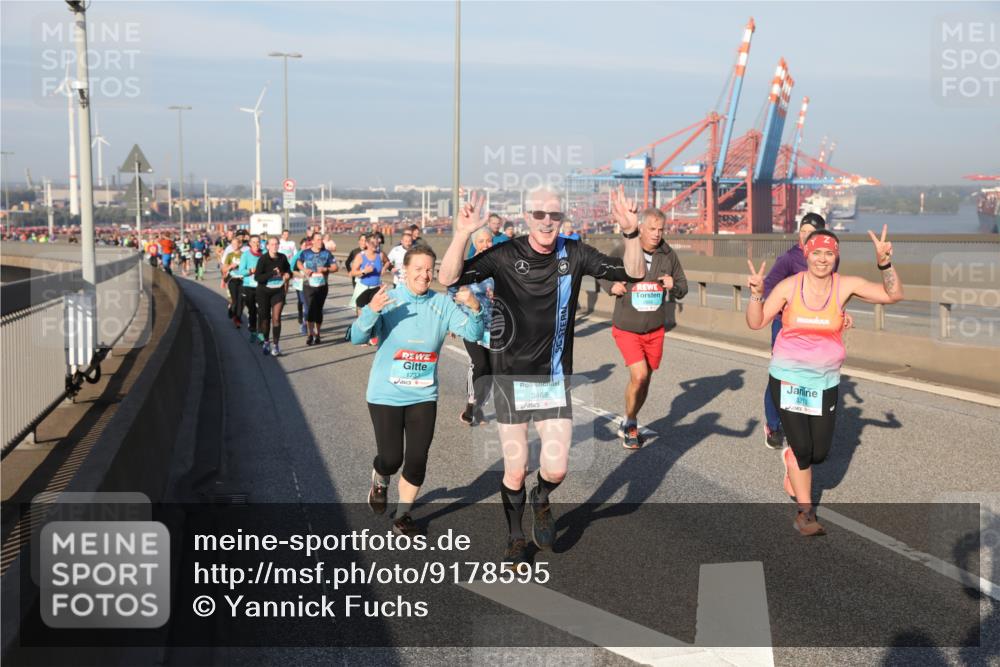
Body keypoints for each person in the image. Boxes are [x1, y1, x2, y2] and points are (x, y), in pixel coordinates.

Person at [438, 186, 645, 568]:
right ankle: (516, 539)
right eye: (539, 214)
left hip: (552, 380)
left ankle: (543, 498)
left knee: (556, 468)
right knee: (515, 469)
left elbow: (632, 273)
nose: (547, 222)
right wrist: (462, 234)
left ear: (562, 217)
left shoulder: (574, 251)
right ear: (526, 216)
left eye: (554, 215)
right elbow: (450, 278)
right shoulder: (505, 254)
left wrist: (631, 234)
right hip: (509, 378)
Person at [746, 225, 903, 536]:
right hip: (788, 377)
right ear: (806, 253)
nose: (822, 259)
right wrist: (755, 294)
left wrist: (884, 263)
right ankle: (805, 514)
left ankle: (790, 458)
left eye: (829, 253)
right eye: (816, 252)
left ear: (836, 257)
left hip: (825, 381)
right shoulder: (790, 287)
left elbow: (893, 294)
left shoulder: (845, 286)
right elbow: (756, 322)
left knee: (819, 454)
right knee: (803, 449)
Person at [351, 245, 485, 536]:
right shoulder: (389, 299)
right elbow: (357, 336)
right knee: (391, 458)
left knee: (417, 459)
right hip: (385, 393)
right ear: (404, 271)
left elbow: (474, 334)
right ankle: (380, 476)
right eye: (418, 269)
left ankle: (403, 515)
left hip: (423, 395)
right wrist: (372, 311)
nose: (425, 275)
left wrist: (475, 308)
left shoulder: (443, 304)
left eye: (429, 269)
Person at [601, 207, 688, 450]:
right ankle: (630, 423)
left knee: (645, 380)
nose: (657, 234)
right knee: (638, 375)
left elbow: (683, 285)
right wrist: (612, 285)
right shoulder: (625, 248)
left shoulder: (668, 255)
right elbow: (601, 271)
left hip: (655, 329)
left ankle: (630, 416)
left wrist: (674, 285)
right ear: (641, 228)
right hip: (627, 327)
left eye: (661, 229)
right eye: (652, 228)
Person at [760, 213, 841, 449]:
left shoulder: (828, 258)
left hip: (816, 325)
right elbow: (768, 285)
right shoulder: (789, 258)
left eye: (811, 232)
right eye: (803, 231)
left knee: (811, 372)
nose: (806, 235)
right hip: (785, 325)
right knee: (782, 375)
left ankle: (804, 420)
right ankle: (774, 426)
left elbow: (834, 289)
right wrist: (784, 304)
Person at [455, 228, 495, 426]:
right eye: (482, 241)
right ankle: (471, 407)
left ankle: (479, 408)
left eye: (490, 241)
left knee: (491, 369)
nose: (486, 245)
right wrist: (454, 321)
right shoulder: (467, 267)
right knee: (479, 364)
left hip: (496, 326)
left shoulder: (501, 266)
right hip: (471, 323)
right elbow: (452, 290)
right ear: (474, 244)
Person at [298, 232, 339, 345]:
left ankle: (318, 333)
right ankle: (310, 334)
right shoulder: (305, 253)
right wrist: (304, 270)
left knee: (318, 310)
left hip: (322, 286)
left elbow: (336, 267)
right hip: (308, 285)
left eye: (321, 239)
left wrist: (326, 269)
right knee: (310, 308)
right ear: (312, 241)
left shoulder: (327, 253)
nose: (320, 242)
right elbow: (298, 262)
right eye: (317, 240)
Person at [254, 236, 292, 356]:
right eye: (272, 244)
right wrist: (272, 273)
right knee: (265, 319)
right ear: (268, 246)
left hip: (278, 291)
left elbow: (288, 270)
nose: (275, 246)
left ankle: (276, 345)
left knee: (276, 318)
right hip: (264, 292)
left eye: (276, 244)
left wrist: (287, 275)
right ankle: (266, 341)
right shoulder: (263, 259)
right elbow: (257, 277)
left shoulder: (282, 257)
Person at [350, 232, 388, 314]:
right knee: (361, 315)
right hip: (363, 287)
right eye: (372, 243)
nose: (375, 245)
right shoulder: (360, 256)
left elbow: (387, 262)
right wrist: (364, 271)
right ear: (367, 243)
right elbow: (352, 273)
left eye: (377, 242)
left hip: (376, 287)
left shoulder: (380, 255)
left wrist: (384, 268)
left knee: (377, 313)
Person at [237, 234, 264, 341]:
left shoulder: (264, 254)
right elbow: (241, 271)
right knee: (252, 310)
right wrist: (250, 271)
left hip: (261, 286)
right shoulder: (245, 255)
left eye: (258, 242)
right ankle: (253, 330)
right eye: (254, 242)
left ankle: (261, 332)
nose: (256, 244)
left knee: (262, 310)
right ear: (250, 244)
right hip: (249, 286)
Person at [220, 234, 244, 327]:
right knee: (235, 300)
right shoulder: (230, 255)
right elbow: (224, 269)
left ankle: (237, 317)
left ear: (240, 244)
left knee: (241, 300)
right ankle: (235, 316)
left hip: (242, 280)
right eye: (232, 244)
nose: (234, 245)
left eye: (235, 244)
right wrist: (231, 266)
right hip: (232, 280)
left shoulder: (244, 255)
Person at [289, 237, 310, 335]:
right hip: (300, 283)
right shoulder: (297, 255)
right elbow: (291, 269)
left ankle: (307, 323)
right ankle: (303, 324)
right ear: (301, 246)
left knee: (309, 305)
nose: (306, 247)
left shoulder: (313, 254)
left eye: (308, 245)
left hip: (311, 284)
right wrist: (300, 275)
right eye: (304, 245)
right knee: (302, 303)